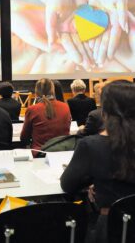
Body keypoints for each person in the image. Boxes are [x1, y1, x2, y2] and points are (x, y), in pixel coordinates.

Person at [61, 81, 135, 243]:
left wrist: (94, 182)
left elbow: (67, 185)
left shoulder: (90, 145)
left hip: (111, 227)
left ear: (104, 112)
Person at [20, 78, 71, 156]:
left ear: (36, 91)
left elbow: (24, 138)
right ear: (53, 90)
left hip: (40, 153)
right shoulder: (65, 107)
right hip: (63, 152)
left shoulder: (32, 109)